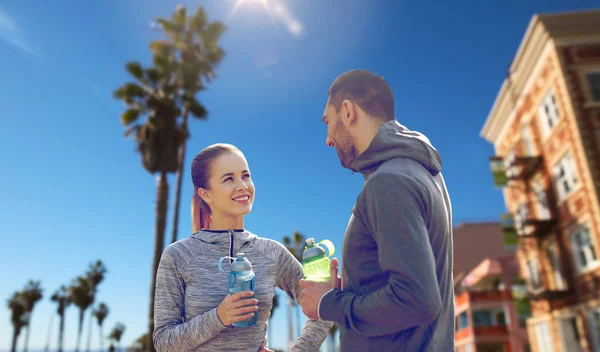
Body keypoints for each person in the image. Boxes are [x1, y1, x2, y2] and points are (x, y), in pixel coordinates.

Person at [298, 69, 455, 351]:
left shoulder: (389, 182)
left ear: (347, 111)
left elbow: (416, 300)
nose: (328, 138)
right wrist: (350, 289)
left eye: (328, 122)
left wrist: (327, 303)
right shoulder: (421, 173)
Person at [153, 143, 333, 352]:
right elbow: (163, 342)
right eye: (229, 179)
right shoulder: (178, 255)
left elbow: (324, 305)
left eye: (245, 176)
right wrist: (219, 317)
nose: (243, 186)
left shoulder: (272, 253)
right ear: (205, 194)